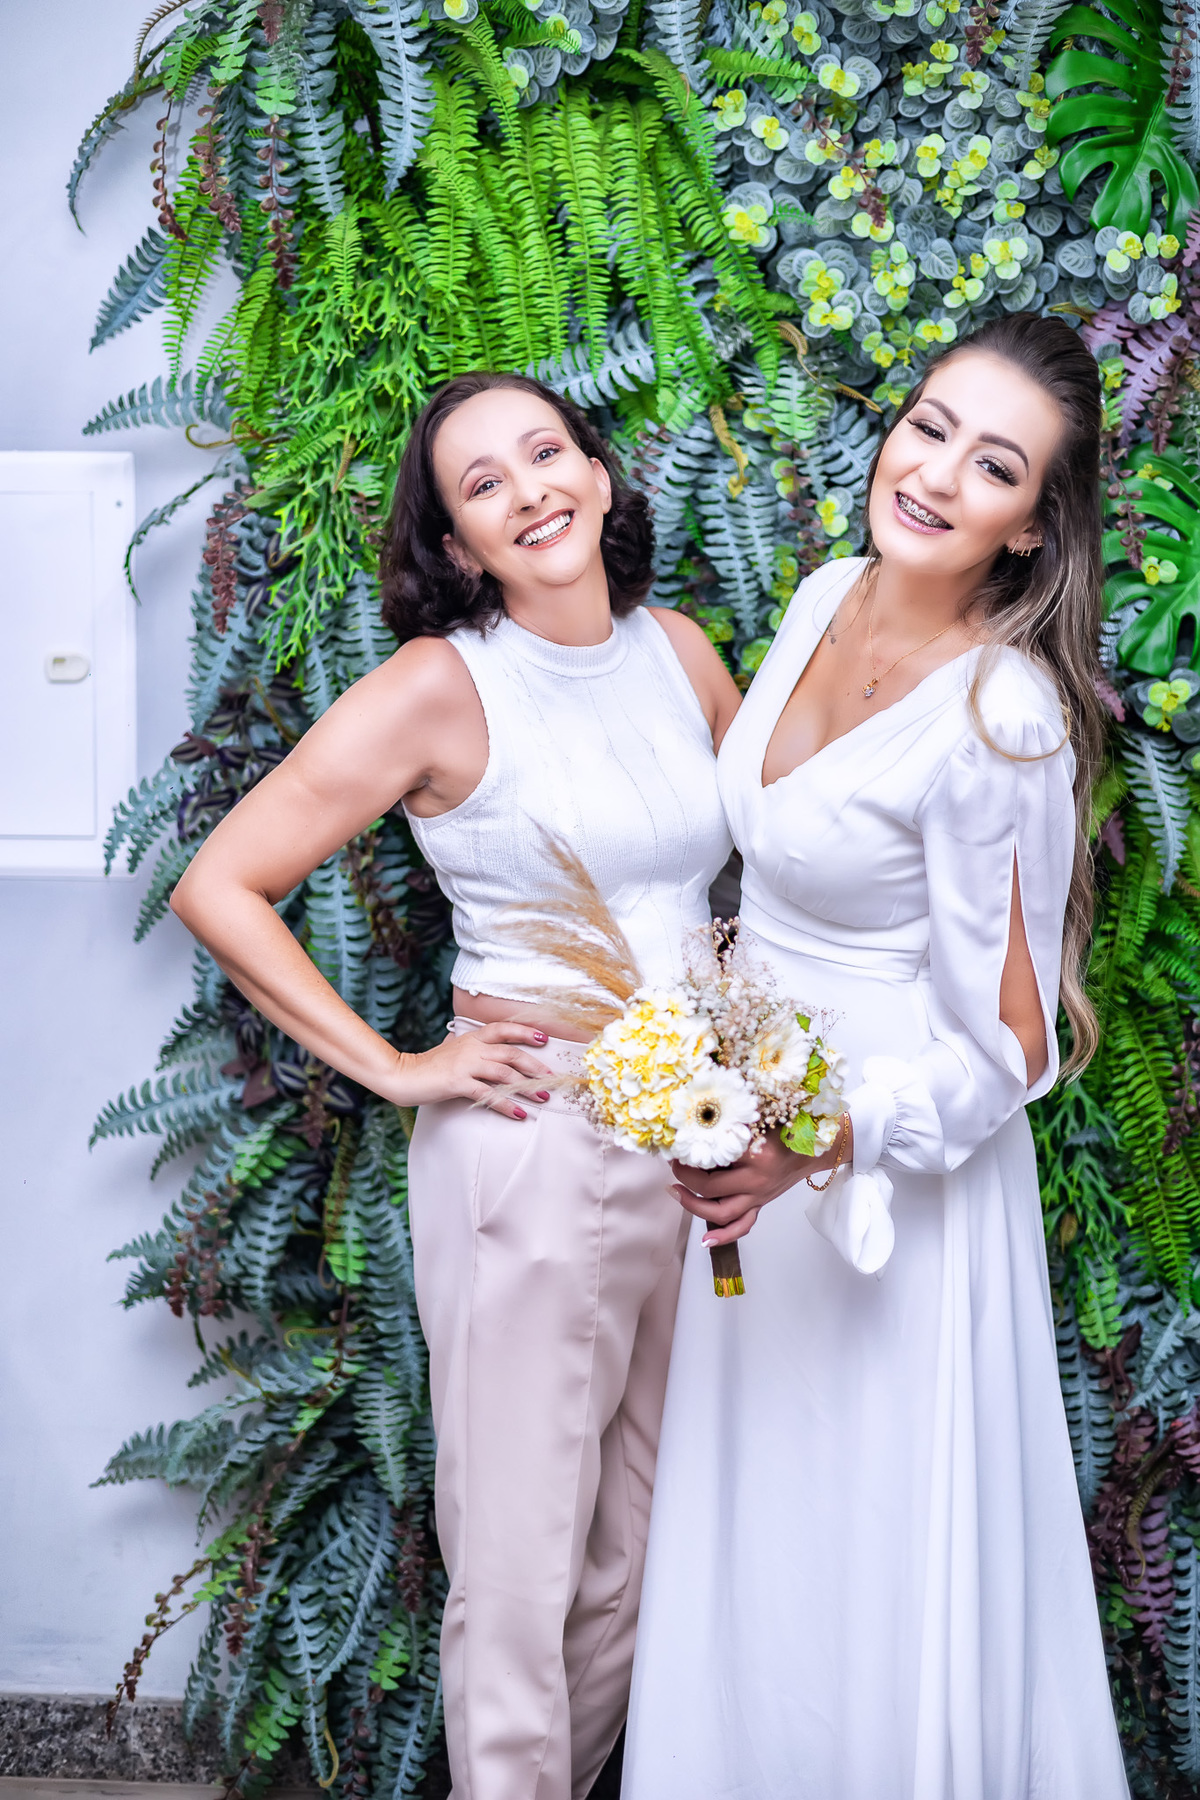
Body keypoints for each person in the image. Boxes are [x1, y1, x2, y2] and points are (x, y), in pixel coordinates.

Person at [169, 372, 741, 1800]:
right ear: (456, 542)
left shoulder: (679, 652)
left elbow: (759, 878)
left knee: (644, 1548)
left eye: (548, 453)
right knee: (522, 1562)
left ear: (600, 474)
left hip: (699, 1139)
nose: (530, 490)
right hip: (536, 1142)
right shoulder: (442, 685)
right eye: (483, 483)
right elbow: (220, 884)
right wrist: (397, 1067)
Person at [620, 314, 1130, 1798]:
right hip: (752, 1132)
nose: (936, 474)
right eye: (929, 427)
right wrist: (715, 1080)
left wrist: (827, 1141)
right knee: (757, 1535)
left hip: (892, 1186)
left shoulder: (999, 718)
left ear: (1029, 527)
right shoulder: (823, 595)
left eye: (995, 467)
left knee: (872, 1534)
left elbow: (1015, 1048)